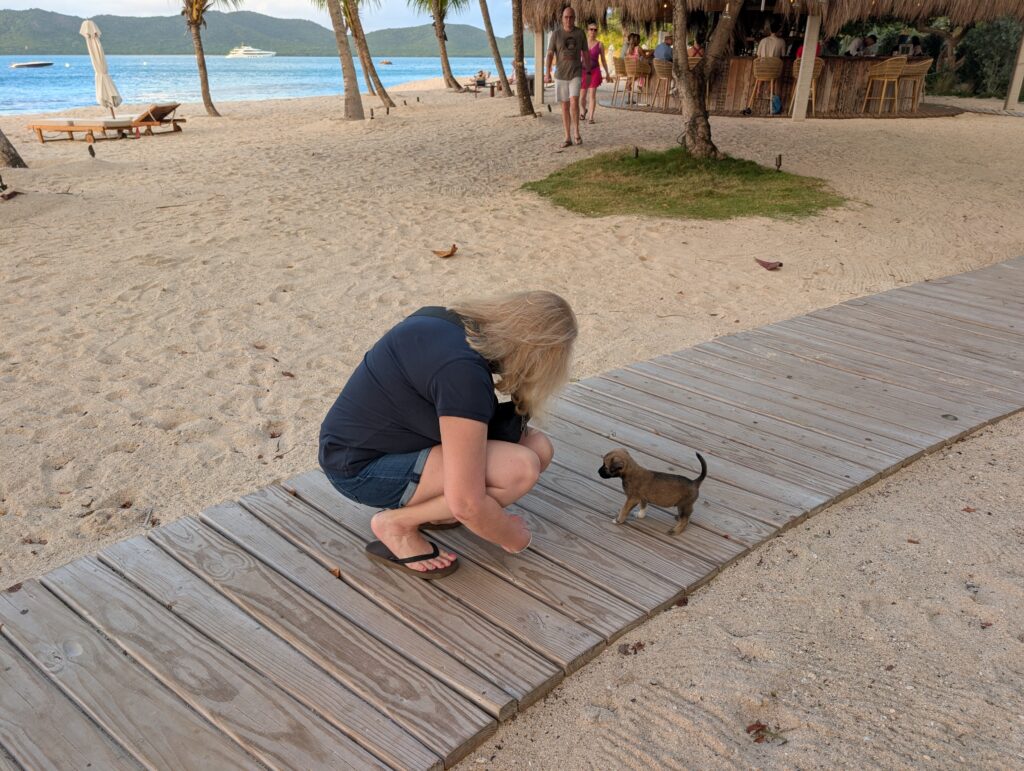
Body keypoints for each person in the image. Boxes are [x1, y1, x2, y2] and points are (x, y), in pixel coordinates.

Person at [319, 291, 578, 578]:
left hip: (365, 444)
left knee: (538, 447)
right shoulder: (463, 375)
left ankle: (433, 513)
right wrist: (512, 535)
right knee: (519, 469)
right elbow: (467, 504)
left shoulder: (446, 321)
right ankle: (397, 525)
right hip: (360, 470)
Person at [545, 6, 588, 148]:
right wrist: (547, 72)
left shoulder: (580, 33)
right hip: (561, 75)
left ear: (574, 18)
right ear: (562, 19)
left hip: (576, 73)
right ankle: (567, 136)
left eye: (571, 17)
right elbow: (550, 54)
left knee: (574, 102)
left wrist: (588, 71)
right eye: (566, 17)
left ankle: (576, 132)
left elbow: (585, 53)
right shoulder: (556, 34)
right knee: (564, 106)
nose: (568, 20)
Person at [580, 22, 610, 124]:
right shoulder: (582, 43)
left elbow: (603, 60)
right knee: (582, 97)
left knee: (592, 94)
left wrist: (607, 73)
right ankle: (583, 110)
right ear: (587, 31)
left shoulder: (600, 44)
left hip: (595, 71)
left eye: (595, 30)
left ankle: (591, 117)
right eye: (591, 29)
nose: (593, 31)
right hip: (583, 71)